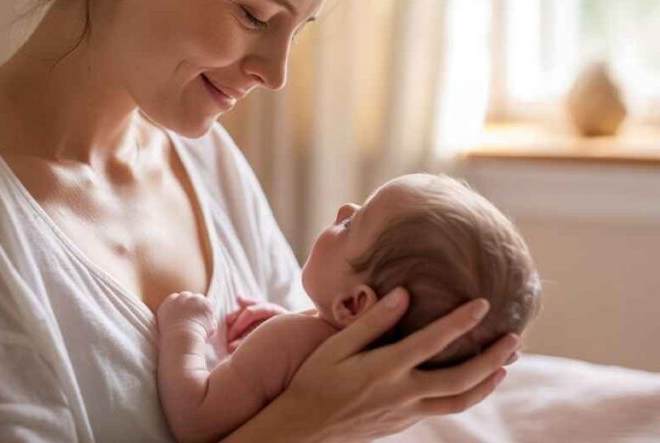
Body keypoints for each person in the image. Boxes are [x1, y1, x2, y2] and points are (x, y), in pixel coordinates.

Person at [0, 0, 521, 441]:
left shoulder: (201, 154)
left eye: (295, 31)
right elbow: (312, 407)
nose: (275, 73)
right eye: (255, 15)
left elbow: (310, 352)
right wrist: (302, 429)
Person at [156, 173, 541, 443]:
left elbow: (196, 420)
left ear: (355, 305)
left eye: (352, 224)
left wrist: (183, 332)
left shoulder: (287, 343)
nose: (343, 208)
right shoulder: (380, 385)